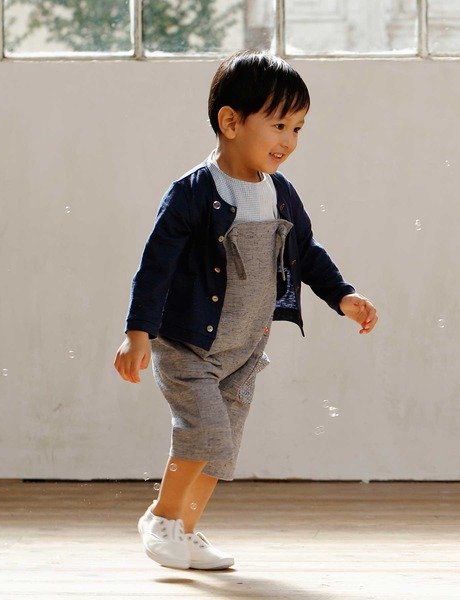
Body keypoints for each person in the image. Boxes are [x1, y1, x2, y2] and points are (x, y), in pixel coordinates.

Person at [114, 50, 378, 571]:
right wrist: (138, 331)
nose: (289, 140)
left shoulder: (280, 193)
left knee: (222, 447)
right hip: (189, 344)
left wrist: (341, 295)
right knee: (204, 433)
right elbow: (156, 265)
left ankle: (186, 531)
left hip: (244, 348)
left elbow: (306, 251)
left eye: (298, 128)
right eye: (279, 125)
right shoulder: (194, 193)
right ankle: (161, 518)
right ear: (231, 122)